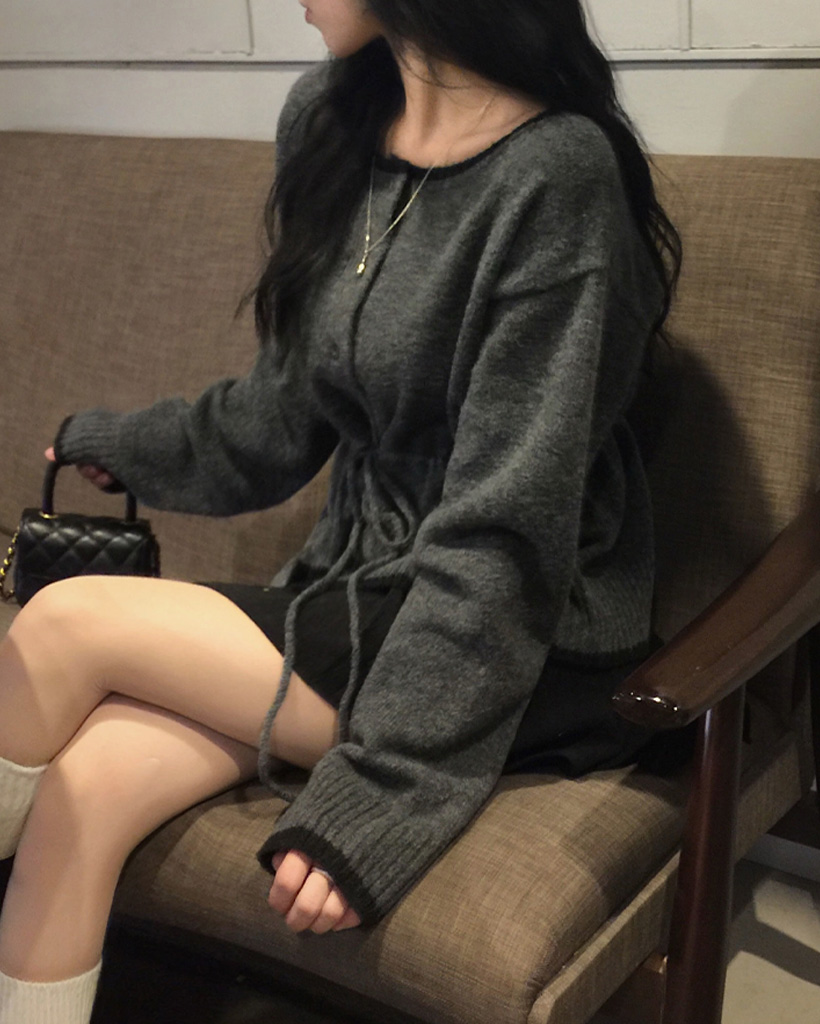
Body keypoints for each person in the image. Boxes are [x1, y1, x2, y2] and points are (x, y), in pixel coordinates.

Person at [0, 0, 682, 1020]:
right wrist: (126, 443)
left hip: (522, 633)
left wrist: (386, 789)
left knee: (61, 622)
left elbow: (505, 531)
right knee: (86, 788)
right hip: (357, 589)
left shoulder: (558, 175)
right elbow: (281, 418)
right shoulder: (330, 120)